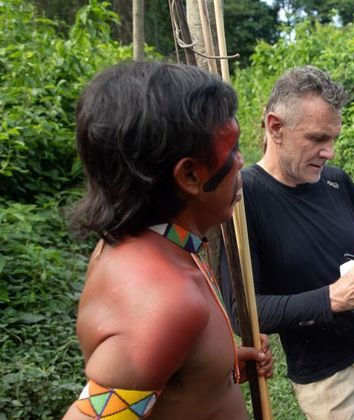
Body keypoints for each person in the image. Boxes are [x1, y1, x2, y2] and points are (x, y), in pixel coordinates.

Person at [63, 61, 273, 420]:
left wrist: (212, 364)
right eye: (233, 149)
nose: (241, 163)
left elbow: (155, 375)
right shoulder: (166, 304)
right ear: (190, 174)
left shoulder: (157, 243)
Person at [225, 65, 354, 420]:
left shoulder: (337, 181)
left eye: (333, 139)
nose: (330, 152)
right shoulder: (243, 199)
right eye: (317, 139)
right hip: (329, 373)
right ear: (275, 127)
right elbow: (243, 312)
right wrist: (333, 298)